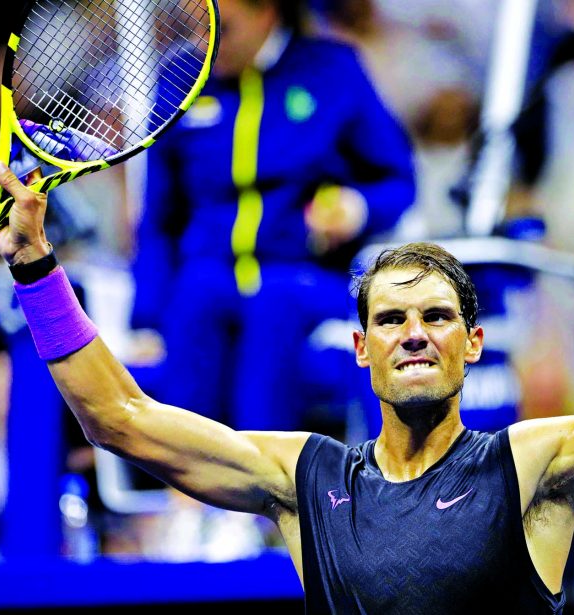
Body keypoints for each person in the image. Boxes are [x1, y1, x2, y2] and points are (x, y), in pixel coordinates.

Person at [0, 137, 574, 612]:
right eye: (391, 320)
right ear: (362, 349)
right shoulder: (302, 475)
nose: (414, 334)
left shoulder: (534, 464)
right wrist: (37, 267)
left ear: (473, 342)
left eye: (434, 317)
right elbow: (119, 419)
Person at [130, 0, 415, 430]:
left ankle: (266, 481)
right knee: (194, 296)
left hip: (306, 273)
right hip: (209, 272)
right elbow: (159, 220)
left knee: (274, 303)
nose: (209, 45)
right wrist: (146, 319)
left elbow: (398, 181)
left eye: (224, 29)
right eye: (200, 29)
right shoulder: (180, 80)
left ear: (267, 12)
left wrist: (356, 209)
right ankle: (185, 489)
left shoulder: (332, 69)